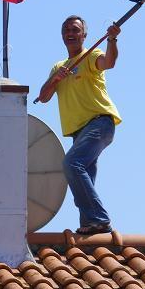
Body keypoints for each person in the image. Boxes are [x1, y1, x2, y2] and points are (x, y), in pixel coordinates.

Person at [38, 15, 121, 235]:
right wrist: (56, 78)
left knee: (72, 164)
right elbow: (43, 97)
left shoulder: (91, 55)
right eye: (66, 30)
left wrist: (111, 40)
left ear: (84, 35)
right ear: (62, 37)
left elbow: (109, 63)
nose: (70, 34)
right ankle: (90, 226)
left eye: (75, 30)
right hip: (79, 131)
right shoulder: (59, 67)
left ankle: (99, 218)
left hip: (99, 123)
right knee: (84, 175)